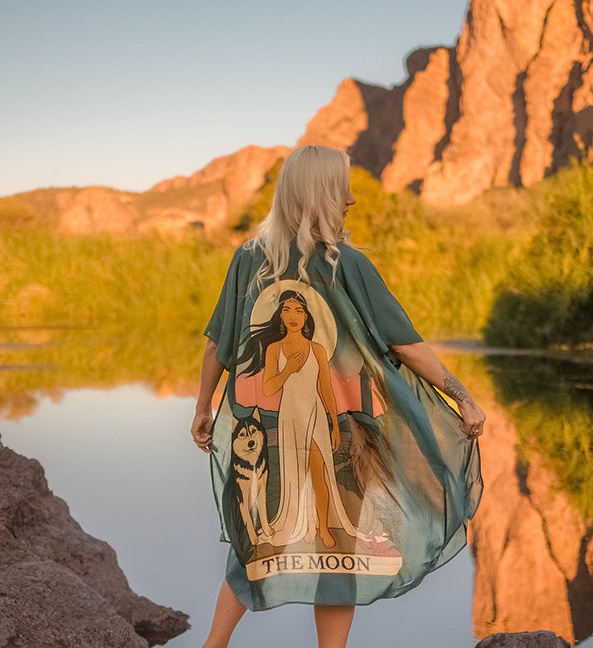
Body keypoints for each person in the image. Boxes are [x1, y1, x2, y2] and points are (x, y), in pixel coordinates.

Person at [189, 144, 484, 648]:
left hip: (263, 430)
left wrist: (203, 407)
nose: (350, 199)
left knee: (253, 542)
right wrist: (461, 397)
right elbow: (406, 345)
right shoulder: (345, 262)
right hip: (339, 429)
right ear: (320, 193)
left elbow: (221, 343)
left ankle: (212, 647)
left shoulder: (248, 259)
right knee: (339, 547)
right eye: (341, 187)